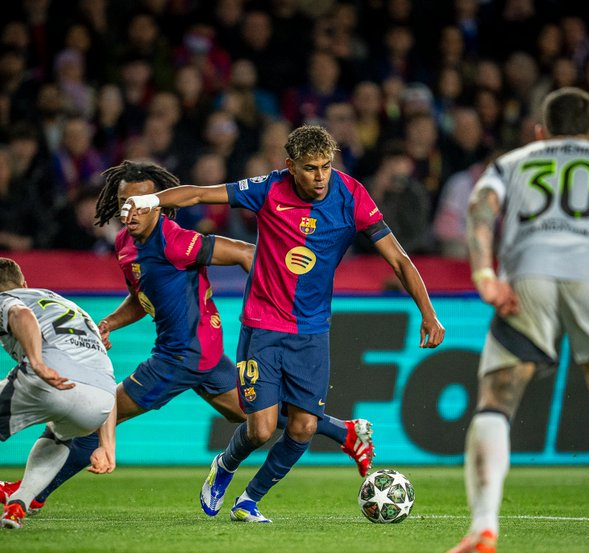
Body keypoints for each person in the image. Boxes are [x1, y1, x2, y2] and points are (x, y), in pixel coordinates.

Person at [0, 160, 376, 514]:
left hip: (180, 356)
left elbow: (246, 253)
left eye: (141, 202)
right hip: (203, 356)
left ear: (159, 203)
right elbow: (143, 297)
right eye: (124, 202)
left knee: (98, 413)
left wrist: (277, 302)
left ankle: (33, 493)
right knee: (256, 418)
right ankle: (343, 431)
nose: (131, 211)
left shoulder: (174, 240)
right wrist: (111, 322)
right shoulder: (125, 244)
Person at [121, 125, 445, 522]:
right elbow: (200, 194)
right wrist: (150, 200)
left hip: (312, 331)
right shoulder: (269, 189)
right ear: (291, 166)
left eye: (326, 166)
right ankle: (225, 465)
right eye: (310, 168)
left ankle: (249, 501)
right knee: (260, 429)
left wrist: (428, 312)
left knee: (304, 427)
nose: (320, 177)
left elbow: (398, 259)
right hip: (263, 325)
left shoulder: (352, 195)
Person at [440, 87, 589, 553]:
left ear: (539, 131)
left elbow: (480, 208)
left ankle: (483, 527)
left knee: (496, 400)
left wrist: (484, 274)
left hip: (529, 275)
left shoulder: (513, 162)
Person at [0, 258, 116, 529]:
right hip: (100, 401)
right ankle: (19, 503)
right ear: (24, 283)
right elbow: (104, 373)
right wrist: (107, 446)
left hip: (51, 378)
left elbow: (21, 315)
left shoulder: (7, 299)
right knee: (59, 437)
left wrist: (37, 362)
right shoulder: (68, 305)